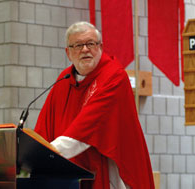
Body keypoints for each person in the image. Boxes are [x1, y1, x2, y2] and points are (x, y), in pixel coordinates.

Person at [34, 21, 154, 189]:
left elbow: (89, 125)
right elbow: (44, 126)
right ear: (68, 53)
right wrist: (33, 153)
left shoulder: (114, 76)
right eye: (78, 45)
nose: (85, 50)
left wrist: (45, 154)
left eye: (90, 43)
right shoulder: (64, 79)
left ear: (101, 47)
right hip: (67, 177)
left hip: (110, 171)